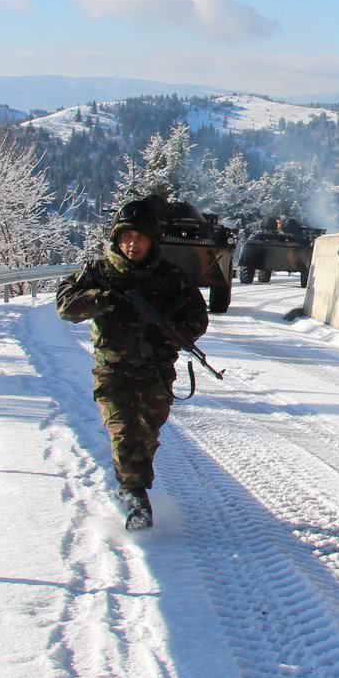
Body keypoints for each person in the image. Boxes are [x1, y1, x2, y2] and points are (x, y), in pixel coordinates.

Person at [56, 198, 209, 530]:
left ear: (152, 239)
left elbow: (197, 316)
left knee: (147, 433)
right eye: (126, 236)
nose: (132, 243)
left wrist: (174, 332)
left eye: (140, 237)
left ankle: (133, 486)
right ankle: (134, 495)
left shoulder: (171, 277)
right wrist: (105, 301)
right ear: (116, 237)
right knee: (124, 431)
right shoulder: (99, 272)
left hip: (155, 372)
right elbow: (66, 305)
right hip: (113, 371)